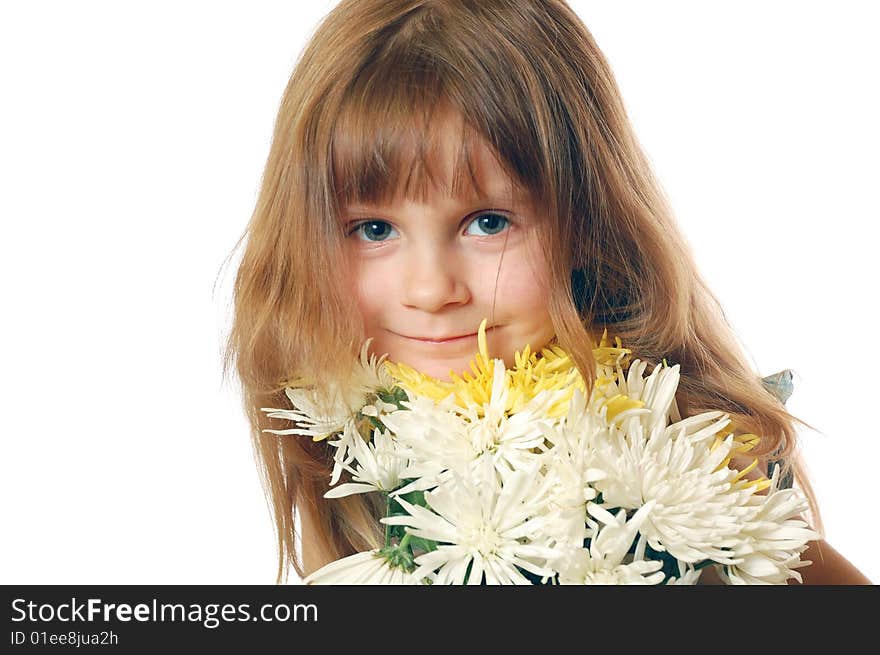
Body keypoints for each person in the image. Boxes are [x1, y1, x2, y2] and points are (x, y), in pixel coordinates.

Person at [222, 0, 870, 584]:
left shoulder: (688, 457)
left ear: (588, 220)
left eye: (488, 222)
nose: (430, 289)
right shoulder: (348, 467)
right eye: (373, 228)